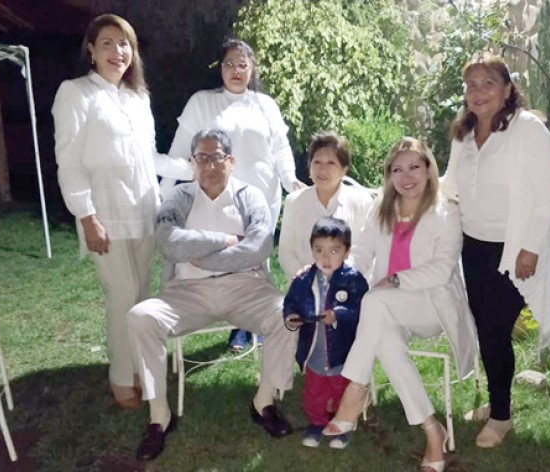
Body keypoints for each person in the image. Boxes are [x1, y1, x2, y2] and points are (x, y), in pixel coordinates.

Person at [126, 129, 297, 461]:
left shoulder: (250, 196)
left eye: (217, 156)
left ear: (231, 161)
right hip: (188, 291)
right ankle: (159, 416)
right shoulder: (178, 197)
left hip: (245, 287)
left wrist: (203, 257)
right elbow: (169, 241)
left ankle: (264, 402)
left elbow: (259, 246)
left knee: (286, 315)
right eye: (201, 158)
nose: (209, 165)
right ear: (192, 163)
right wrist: (226, 240)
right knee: (141, 317)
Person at [51, 13, 188, 409]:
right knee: (122, 296)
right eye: (107, 43)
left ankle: (143, 368)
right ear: (91, 50)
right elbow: (69, 162)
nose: (117, 51)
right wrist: (86, 215)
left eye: (124, 43)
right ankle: (121, 376)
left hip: (144, 209)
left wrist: (194, 168)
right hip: (105, 214)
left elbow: (149, 158)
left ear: (134, 52)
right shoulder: (75, 93)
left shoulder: (137, 97)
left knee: (142, 296)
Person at [322, 138, 478, 472]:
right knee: (386, 341)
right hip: (387, 307)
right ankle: (432, 431)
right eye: (398, 170)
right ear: (389, 175)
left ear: (428, 169)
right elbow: (362, 252)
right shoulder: (382, 207)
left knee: (375, 302)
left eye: (414, 167)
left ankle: (355, 389)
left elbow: (442, 269)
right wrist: (340, 275)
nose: (407, 177)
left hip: (431, 304)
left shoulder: (447, 211)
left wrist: (395, 280)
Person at [441, 52, 550, 448]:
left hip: (513, 249)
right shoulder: (463, 135)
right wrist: (404, 189)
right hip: (473, 246)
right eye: (471, 85)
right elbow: (450, 185)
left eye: (488, 83)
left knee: (494, 329)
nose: (478, 92)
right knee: (486, 329)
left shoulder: (528, 130)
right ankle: (498, 401)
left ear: (507, 90)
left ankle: (501, 417)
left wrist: (529, 249)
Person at [163, 38, 305, 351]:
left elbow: (280, 148)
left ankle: (253, 322)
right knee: (225, 253)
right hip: (219, 197)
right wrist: (164, 195)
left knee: (257, 256)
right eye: (229, 63)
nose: (236, 70)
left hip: (262, 196)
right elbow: (179, 151)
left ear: (252, 69)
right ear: (220, 68)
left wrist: (290, 180)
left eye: (243, 64)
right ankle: (223, 313)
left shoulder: (264, 105)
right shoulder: (202, 102)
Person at [283, 217, 369, 449]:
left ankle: (343, 423)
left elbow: (361, 309)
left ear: (346, 252)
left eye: (334, 251)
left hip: (343, 351)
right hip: (314, 350)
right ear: (311, 250)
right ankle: (316, 422)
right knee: (315, 390)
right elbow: (291, 302)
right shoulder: (304, 279)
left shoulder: (353, 280)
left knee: (341, 388)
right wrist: (291, 316)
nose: (325, 257)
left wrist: (339, 314)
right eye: (319, 250)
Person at [278, 132, 373, 280]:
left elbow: (367, 249)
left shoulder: (362, 202)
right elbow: (286, 252)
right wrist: (303, 277)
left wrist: (342, 278)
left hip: (349, 285)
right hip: (305, 284)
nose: (322, 169)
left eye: (331, 163)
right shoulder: (294, 202)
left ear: (343, 170)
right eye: (317, 162)